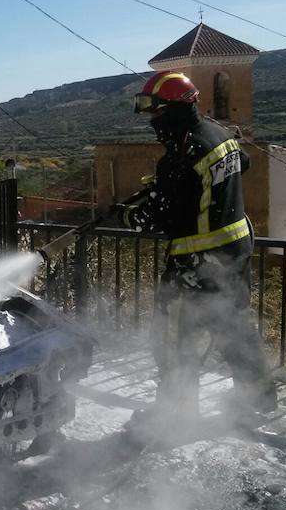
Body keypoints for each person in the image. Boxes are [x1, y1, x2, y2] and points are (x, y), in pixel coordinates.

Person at [115, 70, 276, 439]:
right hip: (235, 254)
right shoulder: (220, 136)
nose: (153, 122)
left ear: (173, 110)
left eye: (156, 113)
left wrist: (128, 213)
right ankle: (256, 403)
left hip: (196, 263)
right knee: (234, 328)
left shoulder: (182, 155)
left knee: (173, 340)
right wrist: (176, 186)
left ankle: (172, 416)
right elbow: (241, 166)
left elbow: (155, 220)